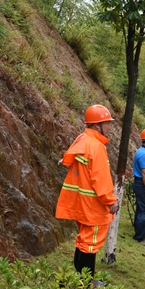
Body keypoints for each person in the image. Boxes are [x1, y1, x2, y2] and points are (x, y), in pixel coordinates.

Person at [55, 104, 119, 276]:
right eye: (107, 123)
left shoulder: (82, 140)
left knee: (84, 240)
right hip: (93, 206)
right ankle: (86, 285)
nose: (109, 127)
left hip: (80, 204)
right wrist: (111, 201)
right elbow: (101, 178)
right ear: (97, 125)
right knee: (90, 243)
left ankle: (79, 280)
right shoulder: (96, 147)